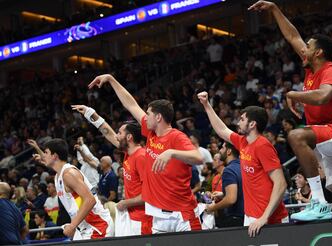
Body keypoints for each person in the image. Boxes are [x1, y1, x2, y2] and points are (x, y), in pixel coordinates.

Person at [249, 0, 332, 220]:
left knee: (296, 136)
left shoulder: (330, 70)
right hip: (328, 141)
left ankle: (318, 202)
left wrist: (292, 94)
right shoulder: (311, 65)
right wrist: (274, 9)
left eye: (308, 47)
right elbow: (292, 36)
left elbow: (322, 96)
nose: (303, 49)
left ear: (318, 52)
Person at [88, 74, 203, 233]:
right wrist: (111, 79)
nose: (145, 117)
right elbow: (131, 104)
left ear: (158, 117)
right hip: (158, 217)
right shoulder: (151, 134)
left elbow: (199, 158)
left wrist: (171, 152)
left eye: (148, 114)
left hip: (182, 215)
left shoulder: (176, 136)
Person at [198, 92, 288, 237]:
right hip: (251, 216)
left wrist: (264, 217)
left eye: (242, 119)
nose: (238, 122)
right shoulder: (243, 142)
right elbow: (222, 130)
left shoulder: (263, 146)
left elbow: (281, 183)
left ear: (252, 124)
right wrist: (206, 105)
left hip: (270, 219)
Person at [71, 104, 152, 235]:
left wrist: (125, 203)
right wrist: (90, 113)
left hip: (143, 220)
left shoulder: (141, 157)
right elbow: (107, 132)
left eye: (119, 133)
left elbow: (149, 194)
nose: (116, 136)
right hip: (132, 216)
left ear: (129, 137)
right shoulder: (128, 154)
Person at [31, 138, 113, 239]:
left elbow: (90, 200)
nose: (44, 156)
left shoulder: (69, 174)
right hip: (86, 227)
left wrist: (72, 225)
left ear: (55, 156)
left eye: (46, 153)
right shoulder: (58, 176)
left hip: (98, 226)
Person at [206, 142, 244, 228]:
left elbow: (231, 199)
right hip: (245, 216)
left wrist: (212, 208)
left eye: (222, 148)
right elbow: (242, 190)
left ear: (229, 151)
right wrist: (223, 194)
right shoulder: (243, 166)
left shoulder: (228, 170)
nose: (220, 150)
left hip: (235, 218)